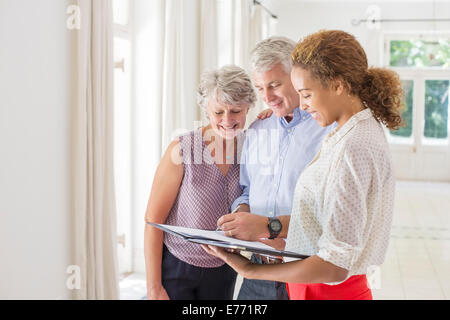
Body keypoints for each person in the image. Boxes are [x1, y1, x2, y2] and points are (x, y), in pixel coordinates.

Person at [203, 29, 403, 300]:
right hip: (293, 277)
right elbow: (325, 218)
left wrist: (256, 256)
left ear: (336, 85)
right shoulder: (347, 132)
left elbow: (335, 261)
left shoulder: (343, 138)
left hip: (314, 279)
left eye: (305, 93)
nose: (304, 104)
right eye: (260, 89)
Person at [216, 37, 334, 300]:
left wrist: (268, 226)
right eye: (260, 88)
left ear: (297, 76)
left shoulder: (328, 130)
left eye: (275, 85)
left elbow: (331, 211)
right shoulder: (258, 130)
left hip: (305, 271)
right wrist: (240, 216)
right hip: (257, 271)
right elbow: (247, 191)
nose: (267, 98)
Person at [144, 65, 257, 300]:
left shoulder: (252, 148)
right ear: (206, 109)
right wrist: (154, 288)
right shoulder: (182, 149)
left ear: (249, 106)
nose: (227, 120)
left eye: (236, 110)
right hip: (177, 267)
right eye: (218, 112)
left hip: (226, 268)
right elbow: (153, 221)